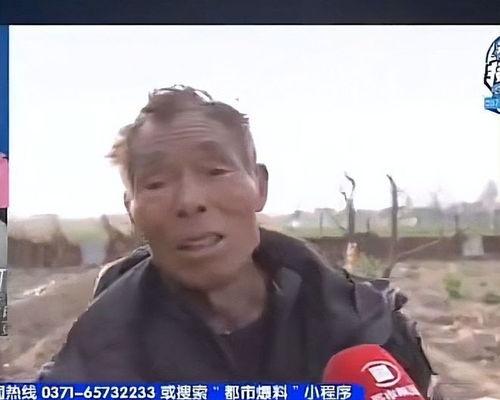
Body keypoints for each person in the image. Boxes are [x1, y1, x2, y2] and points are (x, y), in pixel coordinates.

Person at [39, 86, 443, 399]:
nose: (189, 201)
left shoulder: (373, 331)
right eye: (156, 183)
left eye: (215, 171)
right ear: (131, 208)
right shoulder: (89, 368)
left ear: (259, 186)